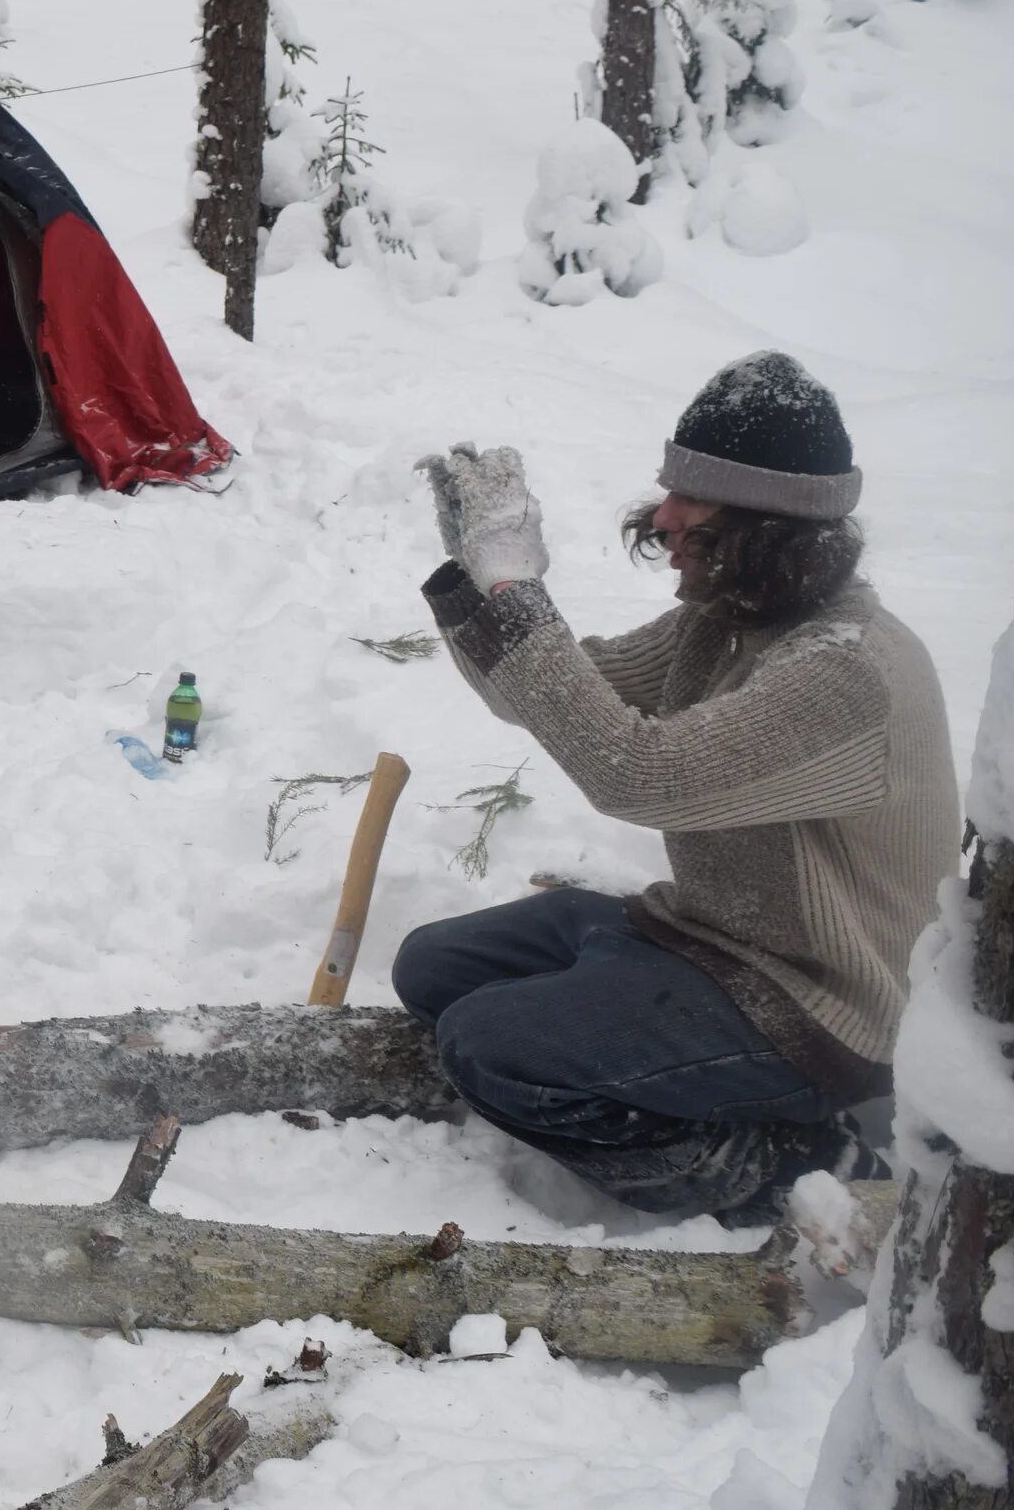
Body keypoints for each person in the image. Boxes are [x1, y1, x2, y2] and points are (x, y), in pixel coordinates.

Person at [395, 354, 957, 1223]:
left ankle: (808, 1169)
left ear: (773, 528)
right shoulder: (730, 623)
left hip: (818, 1004)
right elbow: (554, 694)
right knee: (433, 968)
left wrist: (521, 593)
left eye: (692, 503)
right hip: (708, 939)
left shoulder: (849, 673)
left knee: (487, 1047)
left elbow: (636, 775)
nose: (662, 518)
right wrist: (481, 583)